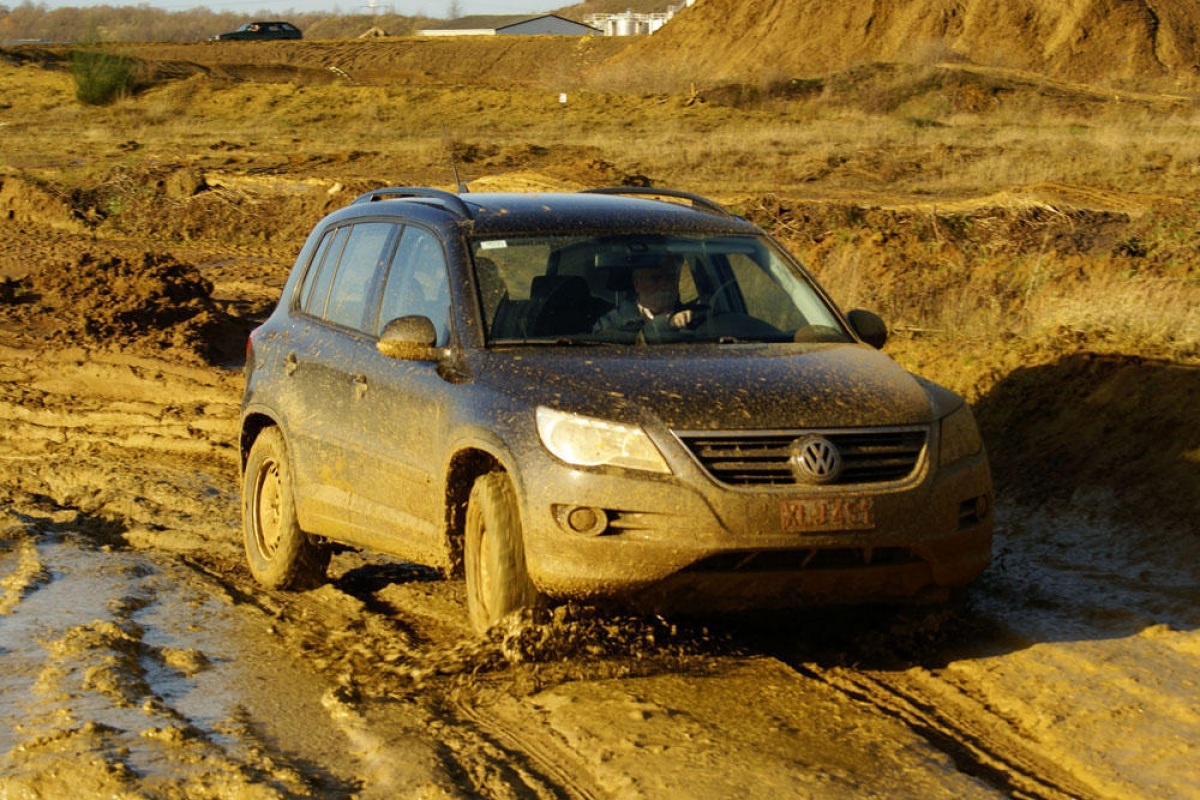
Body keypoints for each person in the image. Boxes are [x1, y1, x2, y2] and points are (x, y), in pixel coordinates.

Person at [594, 253, 700, 334]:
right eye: (655, 279)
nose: (665, 285)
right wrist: (668, 324)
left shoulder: (695, 317)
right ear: (637, 283)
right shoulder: (612, 321)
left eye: (671, 278)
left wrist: (686, 320)